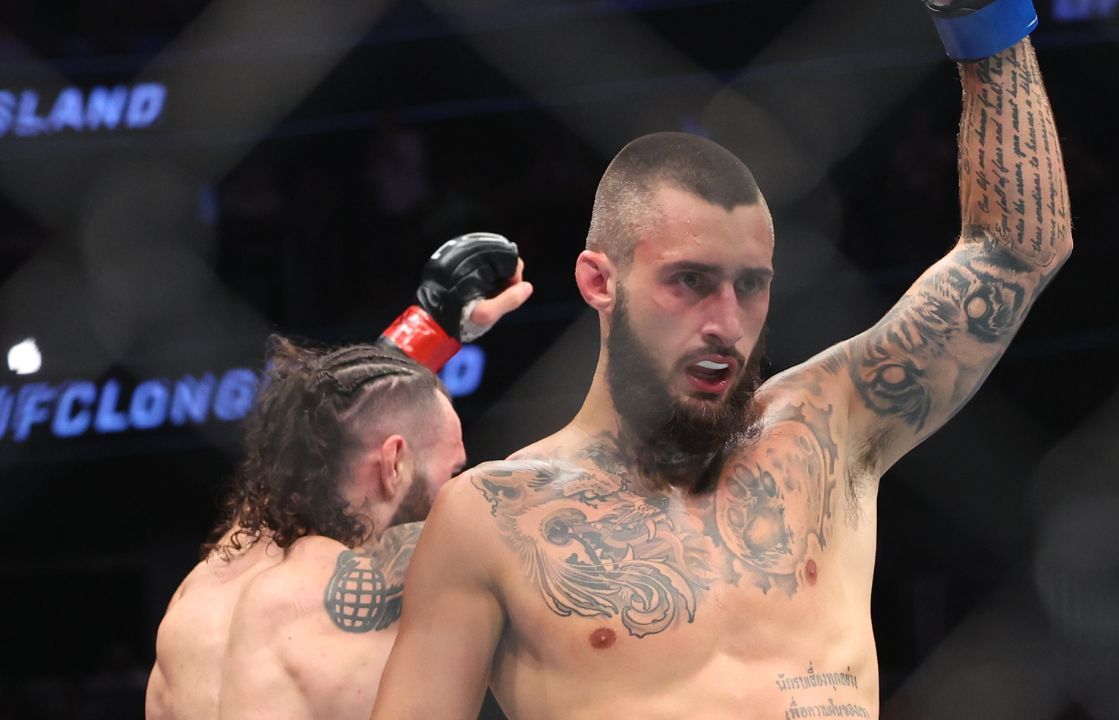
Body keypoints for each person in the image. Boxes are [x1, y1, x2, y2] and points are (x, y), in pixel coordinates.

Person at [370, 3, 1071, 718]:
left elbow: (1014, 250)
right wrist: (418, 340)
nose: (727, 325)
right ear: (598, 281)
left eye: (752, 286)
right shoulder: (495, 517)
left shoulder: (829, 427)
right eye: (691, 282)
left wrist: (981, 14)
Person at [145, 234, 532, 720]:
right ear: (393, 466)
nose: (455, 484)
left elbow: (335, 424)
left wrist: (430, 324)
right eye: (451, 469)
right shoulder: (377, 591)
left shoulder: (211, 581)